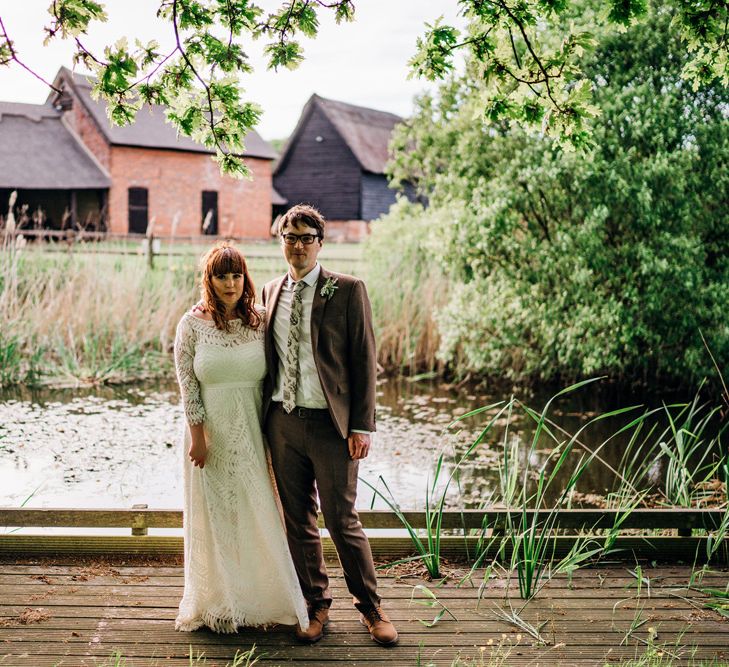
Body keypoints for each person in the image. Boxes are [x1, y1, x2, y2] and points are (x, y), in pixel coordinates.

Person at [261, 204, 398, 646]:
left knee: (342, 519)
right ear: (280, 241)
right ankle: (315, 603)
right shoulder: (267, 292)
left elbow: (365, 361)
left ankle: (371, 607)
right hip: (282, 423)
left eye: (306, 238)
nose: (297, 246)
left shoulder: (347, 290)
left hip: (332, 426)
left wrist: (363, 426)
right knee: (296, 520)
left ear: (320, 243)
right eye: (290, 237)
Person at [173, 242, 308, 634]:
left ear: (244, 278)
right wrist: (198, 435)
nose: (230, 283)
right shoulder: (191, 324)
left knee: (256, 510)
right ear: (209, 280)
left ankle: (260, 596)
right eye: (221, 276)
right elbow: (187, 385)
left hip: (253, 430)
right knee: (216, 516)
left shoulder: (261, 320)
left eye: (236, 275)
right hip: (209, 434)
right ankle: (219, 600)